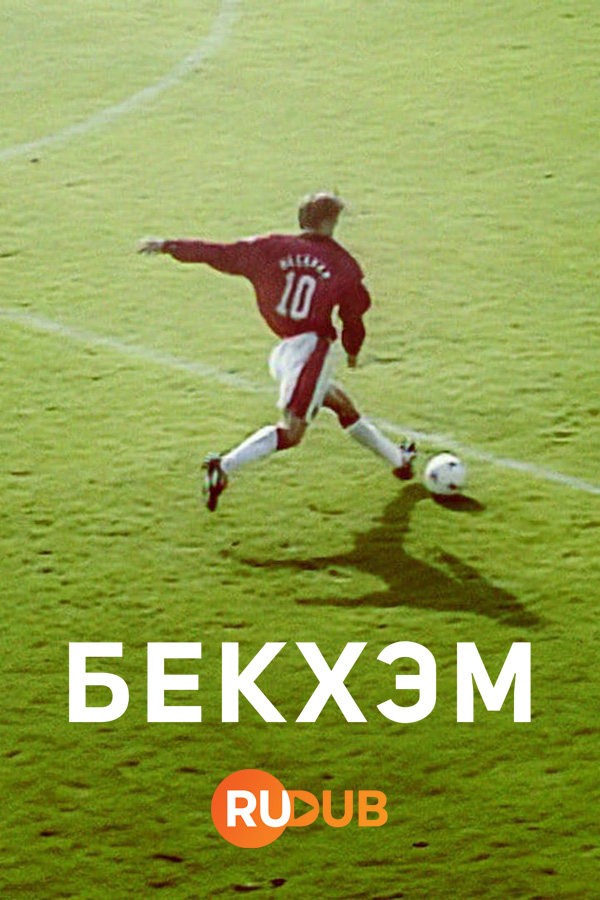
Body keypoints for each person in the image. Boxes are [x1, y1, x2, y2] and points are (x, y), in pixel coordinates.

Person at [138, 192, 416, 511]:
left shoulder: (269, 248)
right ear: (330, 222)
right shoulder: (343, 264)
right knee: (292, 432)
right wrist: (353, 349)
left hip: (287, 350)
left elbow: (218, 253)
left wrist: (169, 245)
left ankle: (399, 461)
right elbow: (353, 315)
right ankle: (224, 467)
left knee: (341, 405)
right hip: (311, 351)